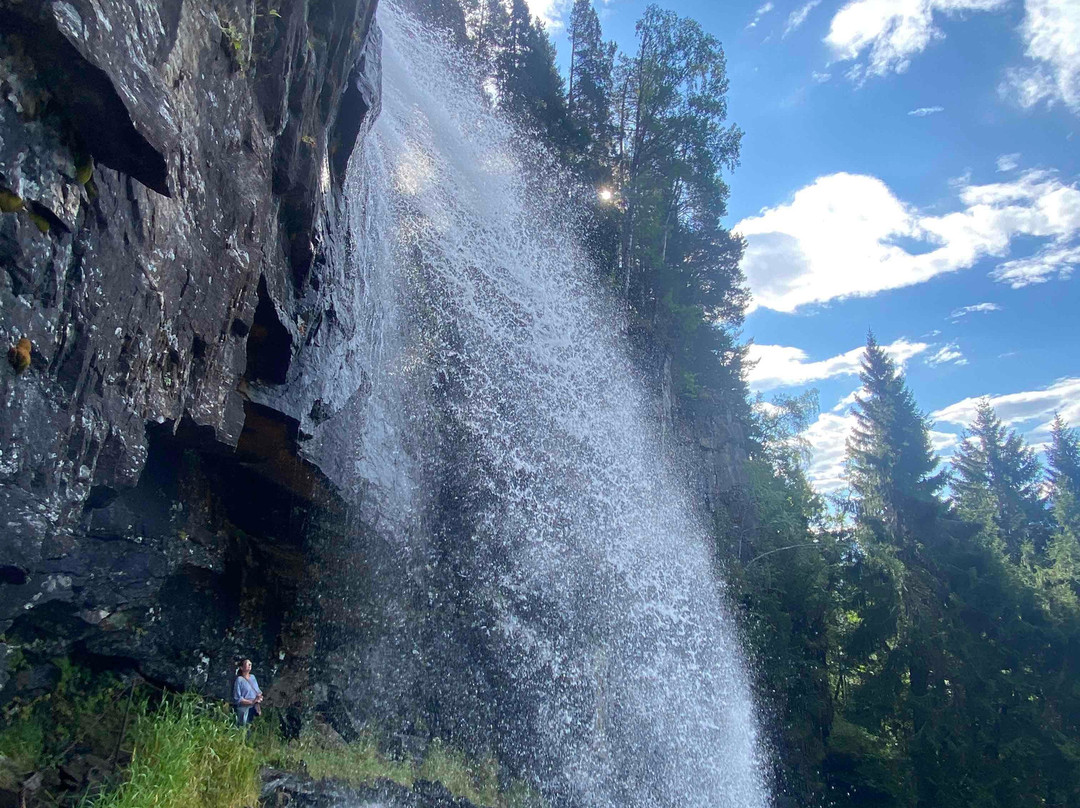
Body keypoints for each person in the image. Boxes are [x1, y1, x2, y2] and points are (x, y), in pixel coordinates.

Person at [232, 658, 263, 727]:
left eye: (250, 664)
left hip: (254, 707)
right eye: (247, 663)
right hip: (244, 708)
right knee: (244, 727)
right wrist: (251, 702)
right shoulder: (239, 680)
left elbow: (258, 691)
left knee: (252, 727)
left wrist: (259, 698)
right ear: (241, 667)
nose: (249, 665)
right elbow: (238, 698)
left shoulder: (253, 677)